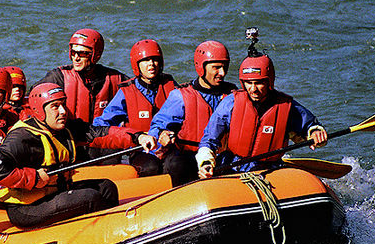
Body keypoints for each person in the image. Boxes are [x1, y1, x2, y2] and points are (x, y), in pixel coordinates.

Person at [0, 83, 156, 228]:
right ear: (40, 111)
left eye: (63, 104)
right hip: (26, 208)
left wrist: (137, 137)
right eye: (55, 107)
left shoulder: (65, 128)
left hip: (54, 193)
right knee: (90, 197)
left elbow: (101, 133)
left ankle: (113, 234)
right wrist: (34, 177)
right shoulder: (22, 137)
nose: (63, 111)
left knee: (107, 187)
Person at [197, 50, 327, 178]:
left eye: (258, 83)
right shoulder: (230, 104)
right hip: (233, 166)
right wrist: (206, 162)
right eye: (249, 83)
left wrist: (315, 133)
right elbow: (209, 139)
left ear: (269, 81)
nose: (253, 89)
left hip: (271, 169)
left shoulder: (287, 106)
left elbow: (310, 126)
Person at [148, 40, 237, 185]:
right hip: (187, 158)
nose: (222, 73)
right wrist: (162, 133)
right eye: (216, 68)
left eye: (225, 67)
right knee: (176, 164)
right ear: (201, 67)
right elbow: (156, 127)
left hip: (220, 157)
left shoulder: (234, 95)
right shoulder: (181, 96)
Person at [93, 39, 178, 175]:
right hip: (140, 149)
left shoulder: (171, 86)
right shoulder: (126, 92)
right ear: (136, 65)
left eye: (155, 60)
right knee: (151, 167)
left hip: (169, 146)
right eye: (146, 60)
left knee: (176, 165)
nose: (151, 64)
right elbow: (104, 122)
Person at [35, 28, 126, 125]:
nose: (76, 58)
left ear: (96, 55)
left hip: (102, 136)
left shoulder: (116, 79)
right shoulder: (58, 77)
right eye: (73, 53)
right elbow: (34, 99)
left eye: (82, 53)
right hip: (70, 137)